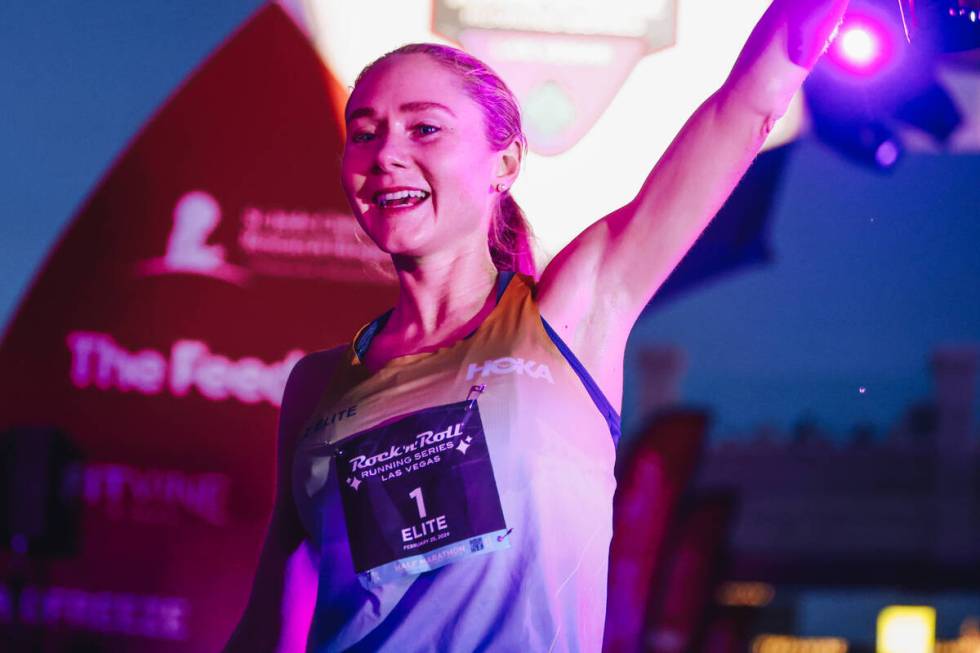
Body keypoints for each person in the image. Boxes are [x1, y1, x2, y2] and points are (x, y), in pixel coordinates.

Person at [223, 1, 849, 650]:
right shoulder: (316, 382)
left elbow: (741, 113)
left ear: (505, 163)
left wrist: (812, 15)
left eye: (425, 129)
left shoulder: (570, 313)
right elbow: (275, 613)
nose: (386, 154)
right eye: (365, 132)